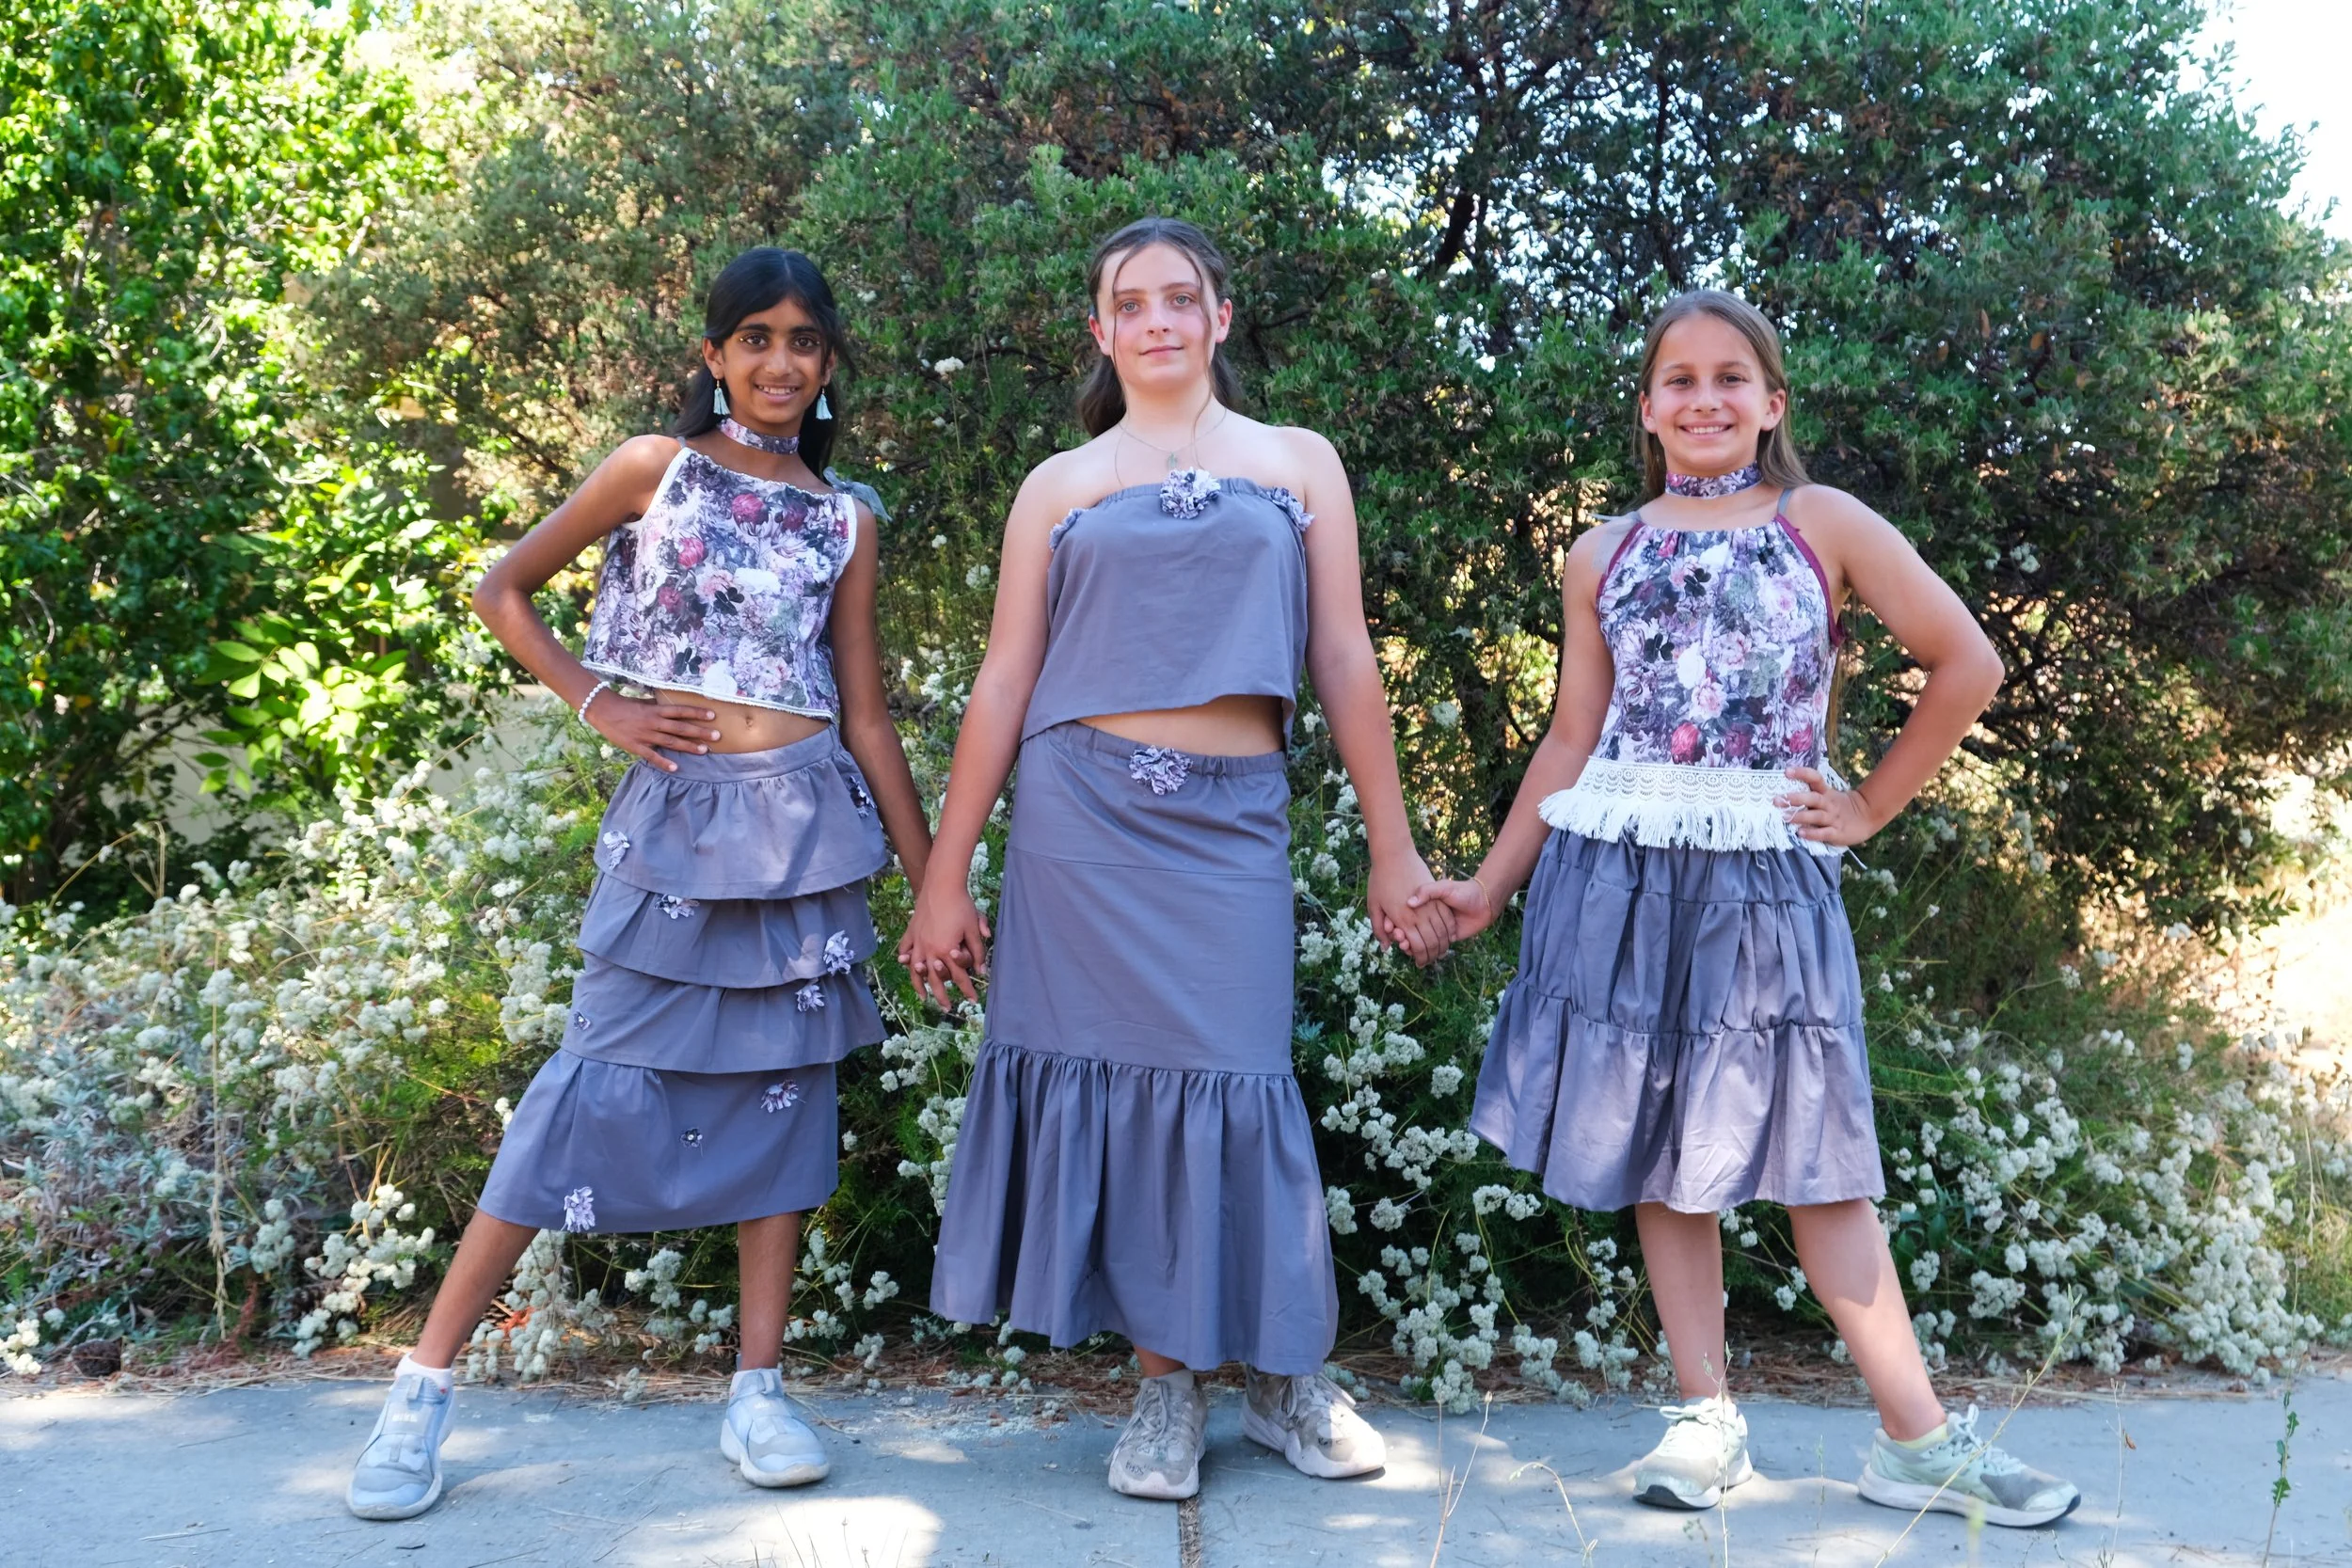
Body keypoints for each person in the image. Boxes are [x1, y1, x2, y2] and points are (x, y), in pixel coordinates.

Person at [1410, 289, 2080, 1528]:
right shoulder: (1600, 551)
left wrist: (1870, 803)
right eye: (1680, 379)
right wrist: (1489, 887)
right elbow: (1571, 734)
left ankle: (1916, 1438)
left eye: (1733, 378)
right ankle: (1706, 1419)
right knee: (1668, 1154)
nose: (1706, 398)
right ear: (1648, 408)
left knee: (1821, 1161)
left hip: (1764, 877)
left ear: (1774, 403)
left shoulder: (1817, 523)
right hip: (1616, 877)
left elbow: (1967, 659)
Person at [344, 247, 931, 1521]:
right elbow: (502, 586)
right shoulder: (650, 471)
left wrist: (935, 884)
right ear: (715, 354)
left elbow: (870, 716)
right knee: (585, 1087)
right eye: (756, 337)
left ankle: (758, 1387)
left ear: (830, 364)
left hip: (805, 834)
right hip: (675, 832)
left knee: (785, 1103)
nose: (781, 361)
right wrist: (596, 699)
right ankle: (422, 1390)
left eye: (805, 341)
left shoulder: (847, 517)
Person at [902, 217, 1454, 1502]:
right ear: (1101, 331)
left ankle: (1280, 1377)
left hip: (1233, 818)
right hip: (1080, 827)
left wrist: (1395, 843)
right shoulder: (1059, 483)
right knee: (1130, 1095)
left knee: (1241, 1076)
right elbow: (1003, 677)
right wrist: (944, 871)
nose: (1156, 320)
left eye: (1180, 298)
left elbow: (1343, 657)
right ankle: (1164, 1390)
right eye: (1129, 303)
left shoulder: (1298, 464)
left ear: (1216, 315)